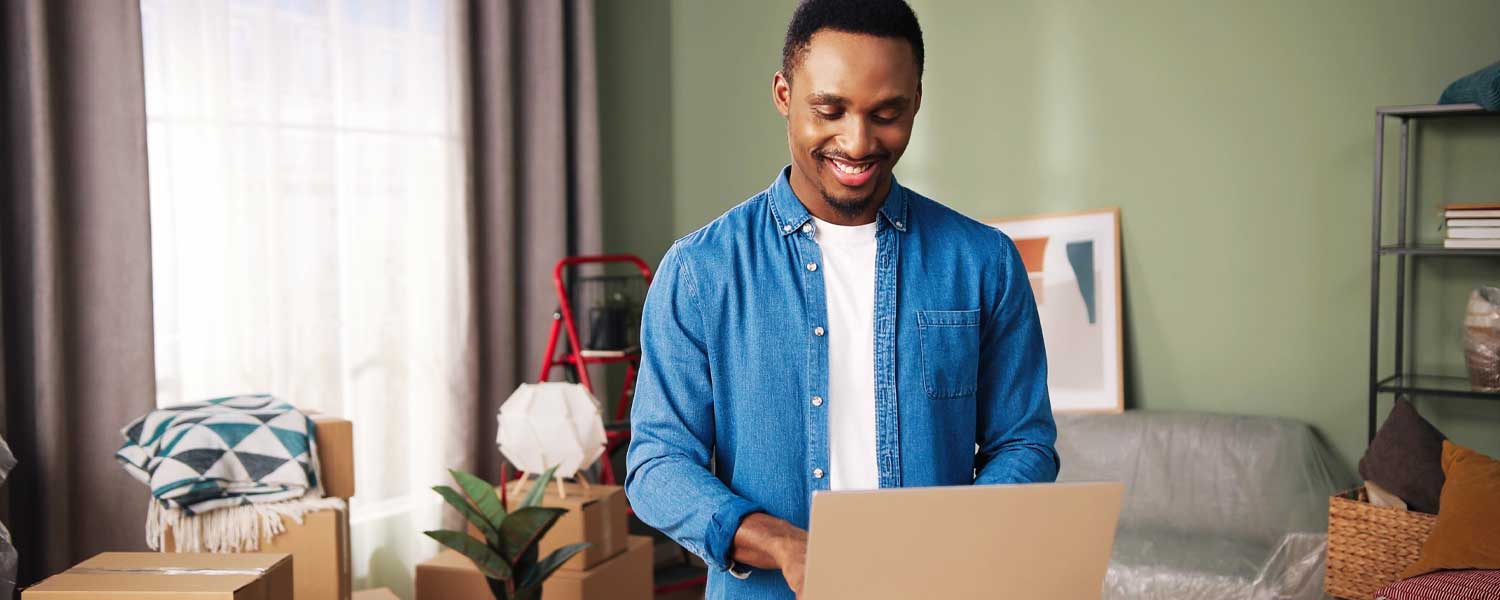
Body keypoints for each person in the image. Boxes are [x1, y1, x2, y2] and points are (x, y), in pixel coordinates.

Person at [624, 1, 1059, 597]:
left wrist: (959, 540)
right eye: (829, 110)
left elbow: (1025, 443)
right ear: (783, 93)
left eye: (887, 113)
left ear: (917, 101)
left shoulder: (984, 262)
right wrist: (783, 544)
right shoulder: (700, 272)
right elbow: (658, 465)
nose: (857, 143)